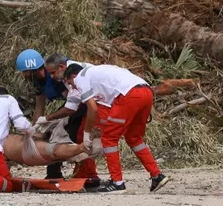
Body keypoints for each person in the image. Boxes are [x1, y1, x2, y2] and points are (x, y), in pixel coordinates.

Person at [64, 63, 169, 194]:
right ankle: (157, 175)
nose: (72, 87)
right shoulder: (98, 74)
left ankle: (117, 182)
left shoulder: (81, 77)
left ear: (73, 76)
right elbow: (105, 109)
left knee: (109, 138)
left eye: (70, 83)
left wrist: (86, 134)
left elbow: (93, 109)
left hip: (129, 95)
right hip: (146, 91)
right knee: (134, 137)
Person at [15, 50, 98, 180]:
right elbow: (40, 104)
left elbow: (73, 104)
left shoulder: (57, 76)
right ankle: (53, 172)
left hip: (82, 102)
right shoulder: (38, 81)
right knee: (49, 133)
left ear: (36, 69)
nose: (25, 75)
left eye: (27, 72)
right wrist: (35, 128)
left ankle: (88, 174)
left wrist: (49, 118)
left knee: (75, 134)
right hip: (72, 103)